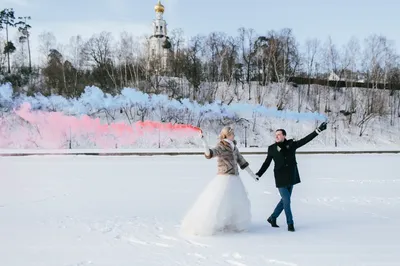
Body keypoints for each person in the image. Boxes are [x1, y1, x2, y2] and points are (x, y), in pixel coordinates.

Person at [180, 126, 259, 236]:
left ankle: (232, 223)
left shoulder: (234, 147)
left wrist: (253, 175)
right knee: (219, 201)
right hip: (224, 178)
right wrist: (204, 141)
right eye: (232, 133)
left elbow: (242, 161)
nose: (234, 135)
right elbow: (210, 154)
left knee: (235, 202)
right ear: (226, 134)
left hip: (235, 178)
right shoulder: (222, 145)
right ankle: (210, 224)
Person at [255, 122, 327, 232]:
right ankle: (290, 224)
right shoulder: (272, 149)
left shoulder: (291, 145)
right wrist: (258, 174)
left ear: (284, 136)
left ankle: (272, 217)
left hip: (291, 176)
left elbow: (305, 140)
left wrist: (318, 130)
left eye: (279, 134)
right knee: (287, 201)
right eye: (276, 135)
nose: (277, 136)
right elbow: (266, 163)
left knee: (284, 200)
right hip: (280, 178)